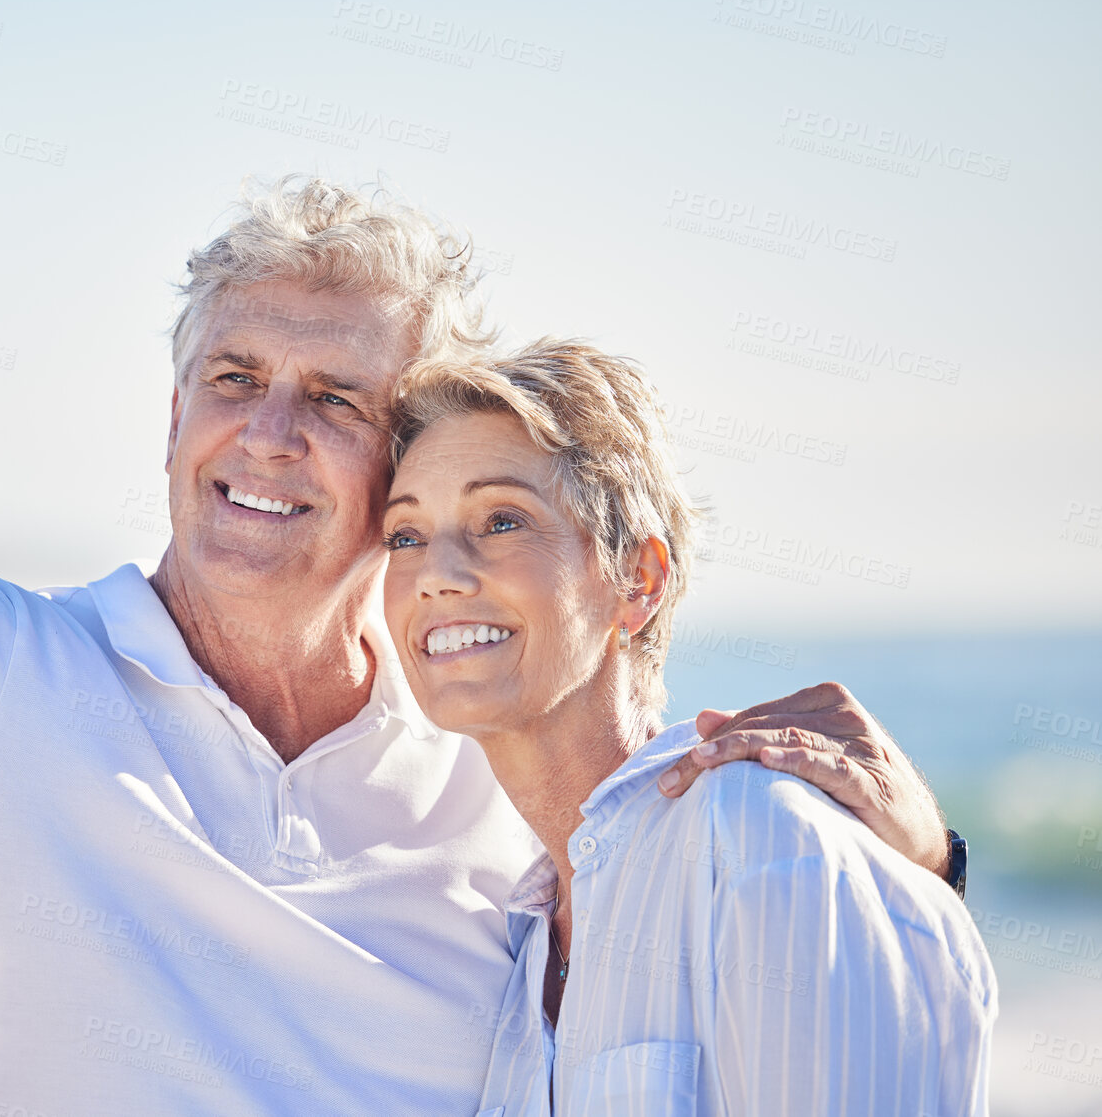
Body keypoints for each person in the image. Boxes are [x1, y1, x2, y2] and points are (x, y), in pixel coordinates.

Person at [0, 84, 961, 1113]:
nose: (266, 431)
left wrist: (917, 874)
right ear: (173, 414)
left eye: (335, 398)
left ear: (394, 466)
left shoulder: (501, 782)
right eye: (232, 378)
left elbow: (741, 977)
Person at [381, 340, 995, 1115]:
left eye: (500, 520)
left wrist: (929, 867)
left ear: (636, 581)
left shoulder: (759, 836)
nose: (437, 570)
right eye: (404, 535)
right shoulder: (519, 943)